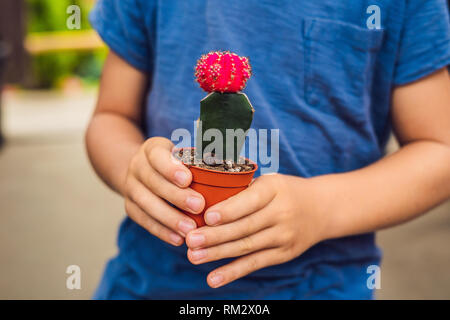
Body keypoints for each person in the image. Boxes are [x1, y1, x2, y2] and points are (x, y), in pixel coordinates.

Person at [86, 0, 450, 299]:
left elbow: (439, 149)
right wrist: (130, 168)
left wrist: (321, 208)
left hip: (320, 288)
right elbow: (111, 115)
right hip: (148, 282)